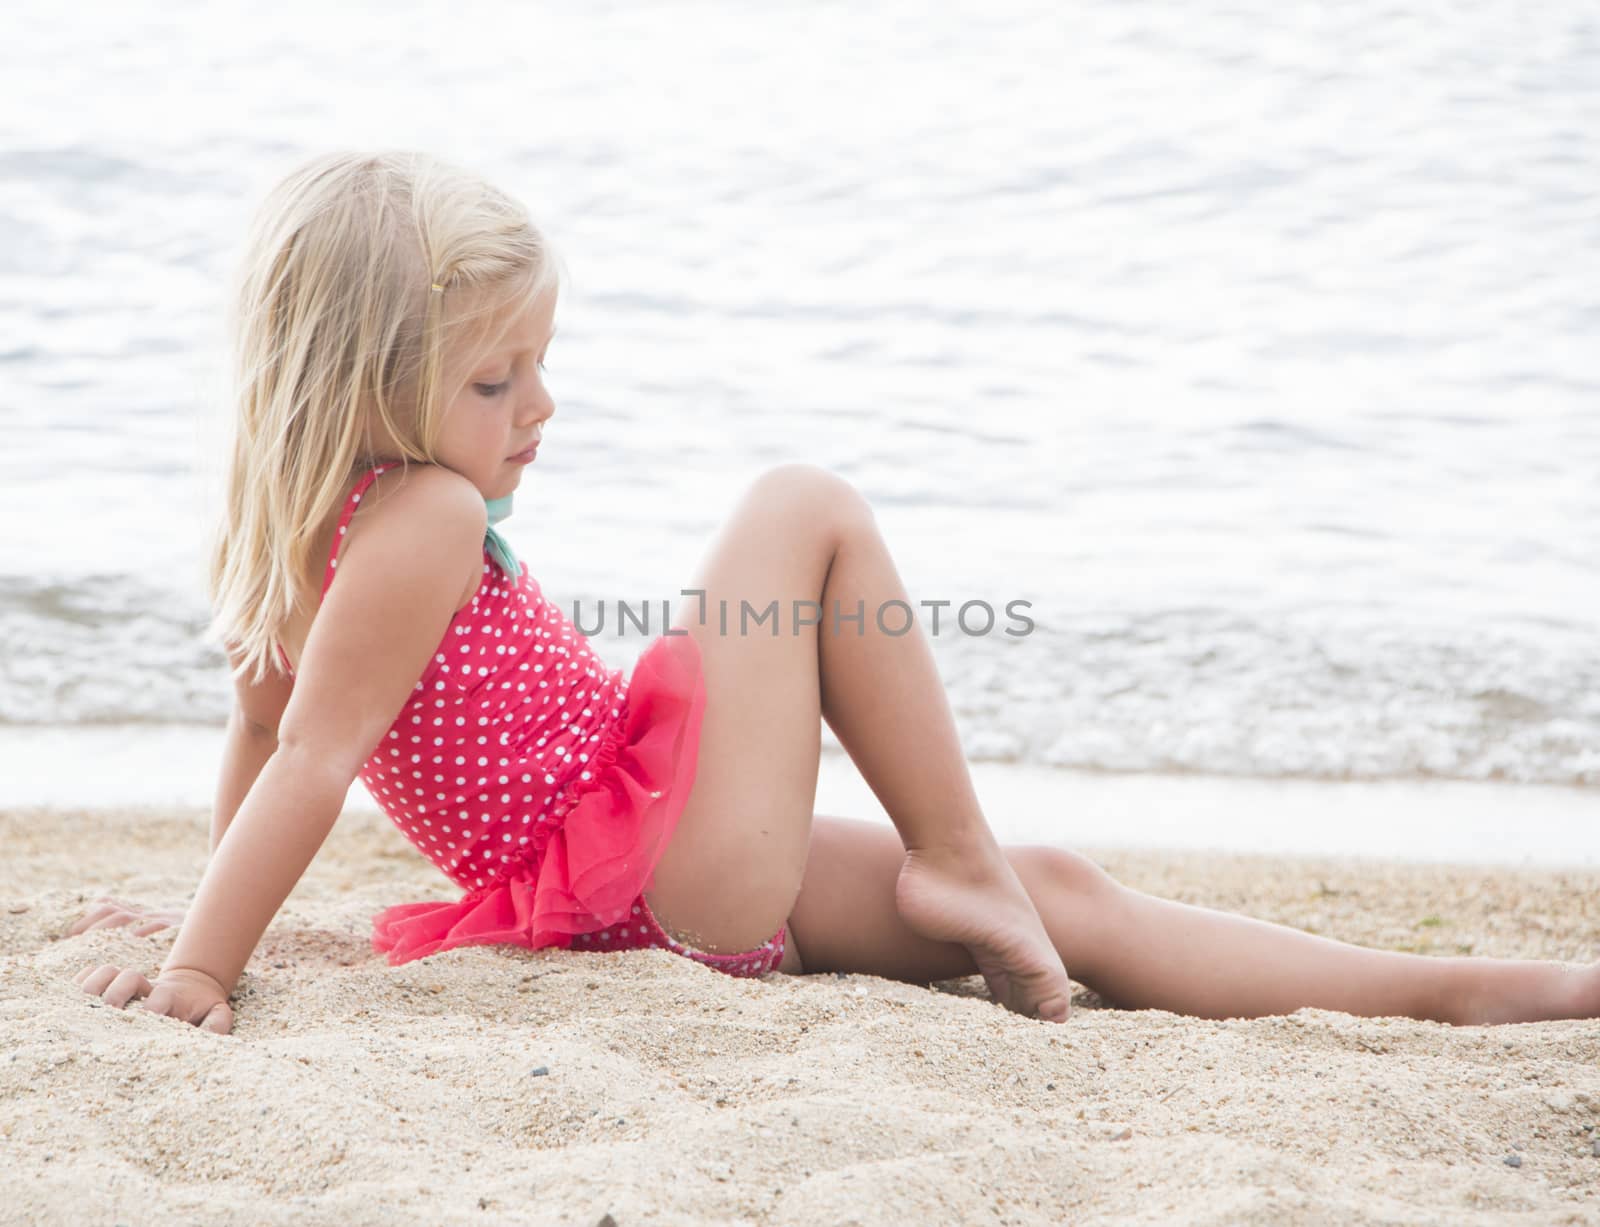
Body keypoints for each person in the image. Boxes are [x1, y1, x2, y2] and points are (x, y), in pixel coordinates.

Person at [67, 151, 1598, 1037]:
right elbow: (313, 762)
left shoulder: (323, 525)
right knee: (803, 509)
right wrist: (208, 964)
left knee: (1071, 893)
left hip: (646, 858)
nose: (542, 407)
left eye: (541, 364)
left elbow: (266, 738)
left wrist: (214, 905)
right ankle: (953, 853)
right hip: (650, 868)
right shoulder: (426, 512)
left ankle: (1473, 990)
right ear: (360, 380)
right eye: (494, 376)